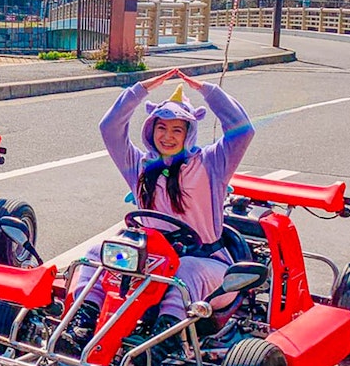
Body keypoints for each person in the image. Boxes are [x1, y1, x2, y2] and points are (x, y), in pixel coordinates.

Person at [64, 68, 255, 349]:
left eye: (177, 129)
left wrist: (207, 90)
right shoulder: (140, 166)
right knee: (97, 253)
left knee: (186, 269)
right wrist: (140, 89)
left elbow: (242, 130)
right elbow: (110, 128)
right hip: (151, 261)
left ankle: (165, 340)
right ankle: (83, 324)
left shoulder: (211, 165)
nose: (168, 136)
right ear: (151, 129)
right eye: (161, 127)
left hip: (208, 265)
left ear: (189, 133)